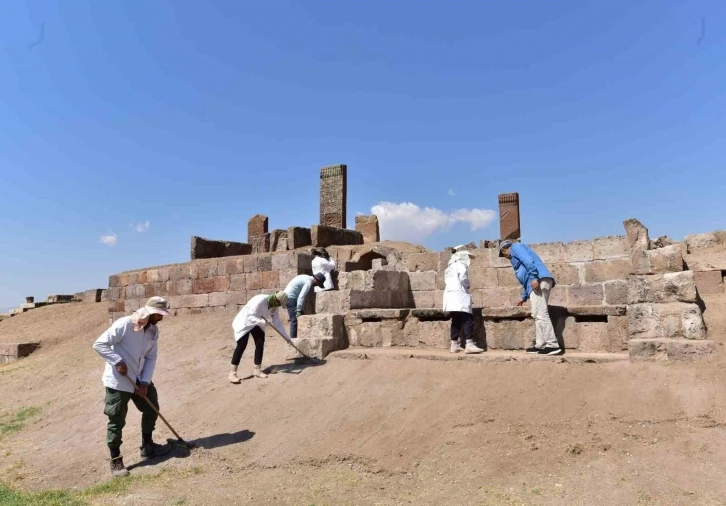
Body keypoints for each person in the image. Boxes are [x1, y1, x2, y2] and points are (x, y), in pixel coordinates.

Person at [92, 296, 172, 478]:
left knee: (152, 409)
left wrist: (144, 382)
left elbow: (151, 357)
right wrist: (117, 361)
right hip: (119, 381)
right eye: (159, 315)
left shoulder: (153, 331)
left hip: (139, 378)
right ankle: (116, 459)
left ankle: (147, 446)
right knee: (117, 419)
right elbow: (99, 344)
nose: (161, 318)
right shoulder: (125, 324)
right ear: (151, 312)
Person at [498, 240, 561, 355]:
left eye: (503, 254)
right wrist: (523, 296)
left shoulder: (516, 247)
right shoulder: (515, 257)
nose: (505, 257)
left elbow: (528, 262)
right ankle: (540, 345)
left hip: (539, 280)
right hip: (538, 282)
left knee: (540, 314)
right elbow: (525, 280)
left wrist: (533, 277)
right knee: (536, 314)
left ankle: (552, 344)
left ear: (504, 250)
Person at [229, 291, 291, 383]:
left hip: (257, 324)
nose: (279, 306)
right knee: (242, 345)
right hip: (244, 322)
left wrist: (286, 338)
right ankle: (232, 373)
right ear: (276, 299)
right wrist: (263, 322)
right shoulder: (260, 299)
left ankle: (257, 370)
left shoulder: (274, 307)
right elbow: (249, 316)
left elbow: (277, 323)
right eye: (279, 304)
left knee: (260, 342)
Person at [443, 245, 484, 354]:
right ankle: (469, 343)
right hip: (459, 294)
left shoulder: (449, 267)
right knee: (467, 317)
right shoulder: (460, 264)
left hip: (450, 295)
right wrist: (467, 285)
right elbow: (463, 278)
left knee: (456, 319)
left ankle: (454, 344)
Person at [284, 273, 326, 338]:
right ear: (317, 281)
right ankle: (293, 341)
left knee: (301, 317)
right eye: (318, 284)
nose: (316, 285)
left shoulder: (306, 277)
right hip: (290, 297)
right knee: (294, 320)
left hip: (288, 296)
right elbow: (301, 296)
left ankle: (301, 337)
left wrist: (300, 310)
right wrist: (298, 310)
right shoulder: (308, 282)